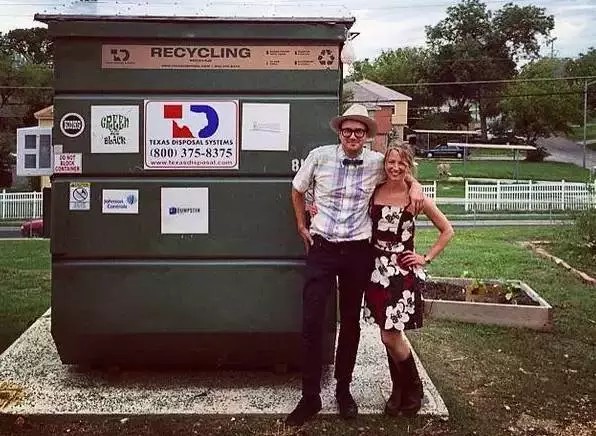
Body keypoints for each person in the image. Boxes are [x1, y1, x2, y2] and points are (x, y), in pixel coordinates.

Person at [286, 104, 425, 427]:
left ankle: (343, 390)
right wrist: (301, 225)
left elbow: (401, 170)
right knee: (312, 320)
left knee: (350, 323)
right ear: (340, 132)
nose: (352, 136)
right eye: (347, 130)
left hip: (358, 252)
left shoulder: (377, 162)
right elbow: (297, 189)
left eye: (359, 132)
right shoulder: (319, 157)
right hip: (322, 248)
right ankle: (310, 397)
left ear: (366, 136)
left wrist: (416, 185)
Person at [364, 142, 454, 416]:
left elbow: (447, 230)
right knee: (388, 335)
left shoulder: (416, 198)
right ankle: (398, 390)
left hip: (400, 274)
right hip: (375, 271)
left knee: (390, 335)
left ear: (409, 165)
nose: (395, 167)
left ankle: (414, 389)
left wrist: (425, 258)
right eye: (391, 162)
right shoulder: (375, 190)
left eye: (401, 163)